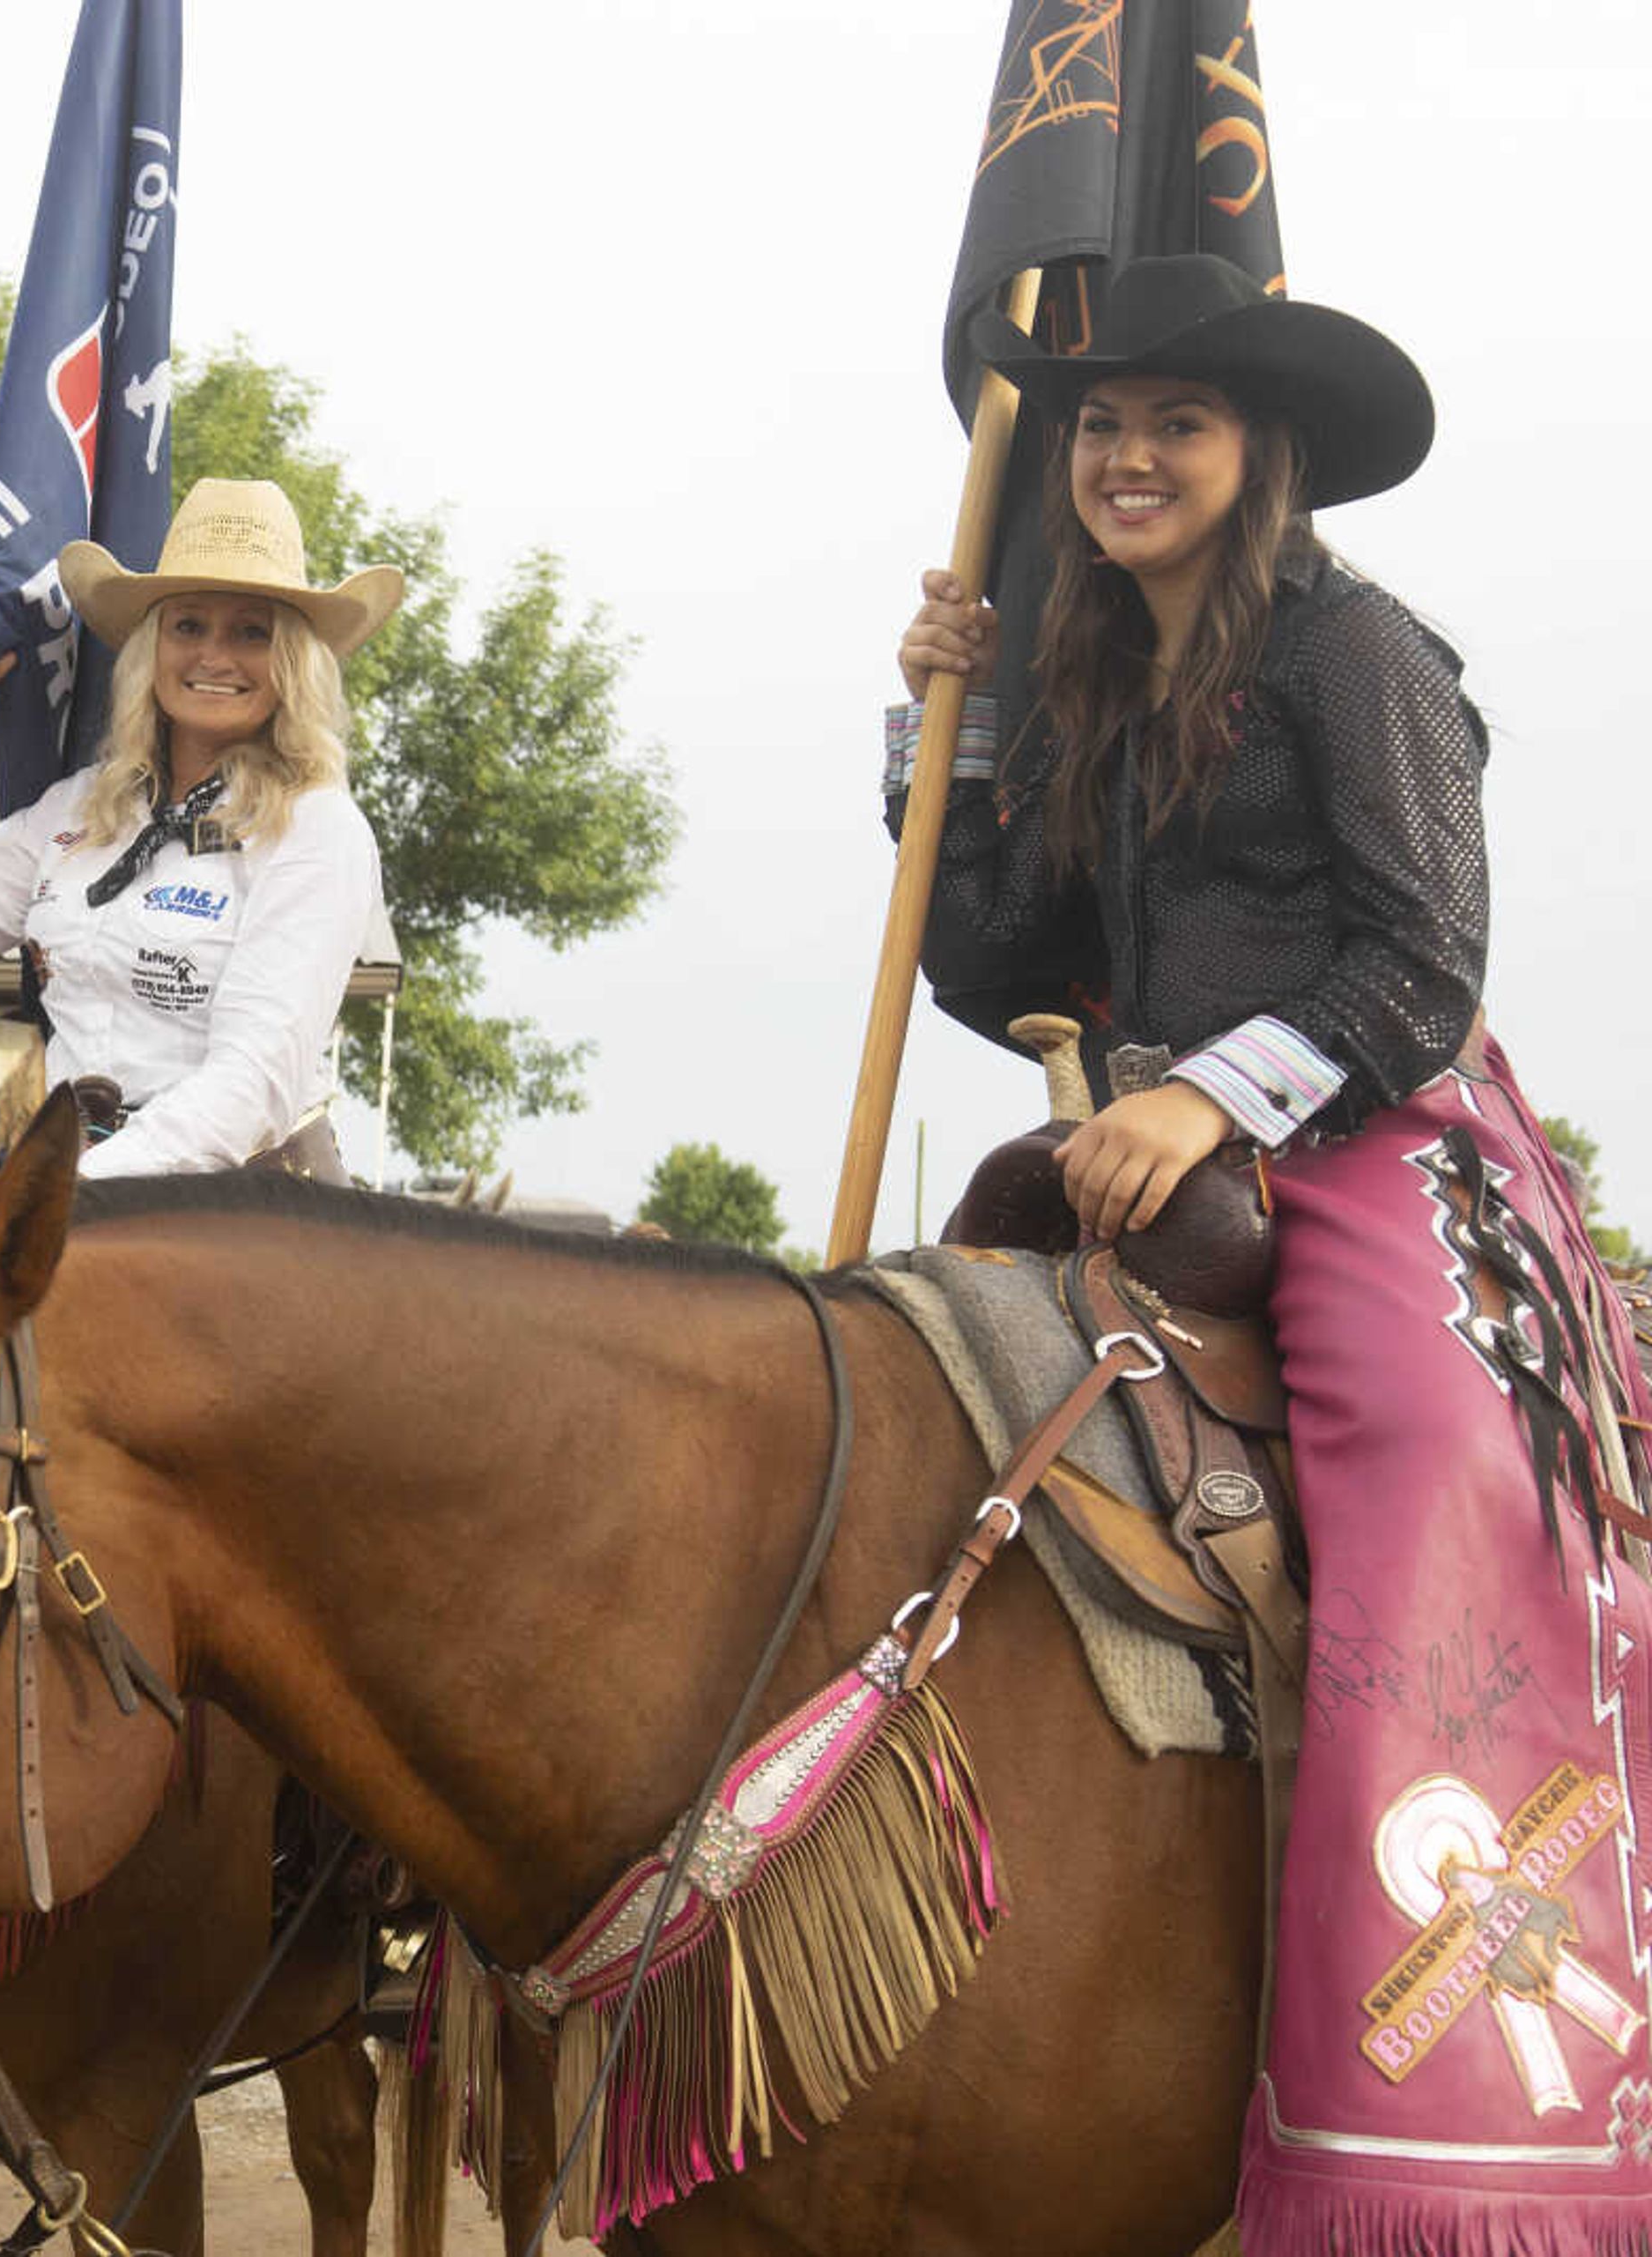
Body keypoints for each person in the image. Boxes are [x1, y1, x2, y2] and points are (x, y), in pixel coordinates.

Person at [885, 254, 1651, 2246]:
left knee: (1433, 1473)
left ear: (1259, 452)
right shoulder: (1084, 677)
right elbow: (988, 954)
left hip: (1384, 1134)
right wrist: (942, 728)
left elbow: (1419, 952)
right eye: (1098, 424)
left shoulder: (1357, 652)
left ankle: (1469, 2110)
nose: (1127, 455)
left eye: (1175, 421)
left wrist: (1211, 1094)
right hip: (1147, 1141)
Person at [0, 477, 396, 1182]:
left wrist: (73, 1188)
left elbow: (253, 1082)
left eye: (251, 632)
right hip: (76, 1194)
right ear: (151, 650)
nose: (214, 656)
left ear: (292, 664)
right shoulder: (77, 809)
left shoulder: (317, 828)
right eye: (188, 625)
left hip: (245, 1206)